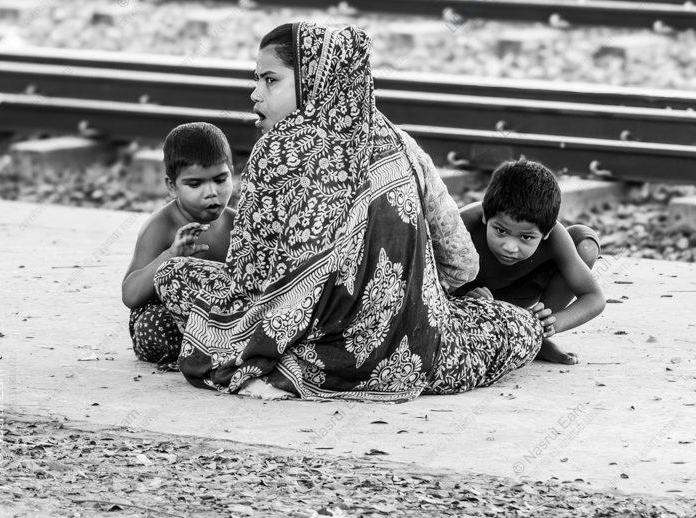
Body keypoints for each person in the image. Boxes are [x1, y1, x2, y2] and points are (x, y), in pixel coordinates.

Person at [154, 22, 543, 401]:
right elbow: (461, 264)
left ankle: (274, 367)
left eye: (270, 80)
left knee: (171, 280)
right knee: (518, 325)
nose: (255, 94)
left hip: (297, 339)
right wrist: (412, 291)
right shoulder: (400, 143)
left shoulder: (276, 153)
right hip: (413, 350)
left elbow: (249, 278)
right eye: (257, 80)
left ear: (314, 83)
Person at [455, 159, 606, 365]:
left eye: (525, 237)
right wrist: (463, 298)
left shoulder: (555, 236)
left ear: (546, 232)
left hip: (525, 301)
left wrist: (553, 323)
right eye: (500, 230)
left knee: (584, 243)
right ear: (485, 216)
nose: (510, 246)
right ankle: (523, 337)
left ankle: (536, 337)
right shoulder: (463, 224)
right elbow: (427, 281)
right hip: (472, 302)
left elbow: (594, 298)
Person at [122, 122, 236, 364]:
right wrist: (170, 255)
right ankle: (208, 351)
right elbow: (130, 295)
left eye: (220, 179)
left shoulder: (236, 222)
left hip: (220, 317)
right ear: (172, 186)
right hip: (169, 320)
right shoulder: (161, 225)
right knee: (152, 327)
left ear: (232, 172)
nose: (211, 192)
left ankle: (219, 347)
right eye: (195, 184)